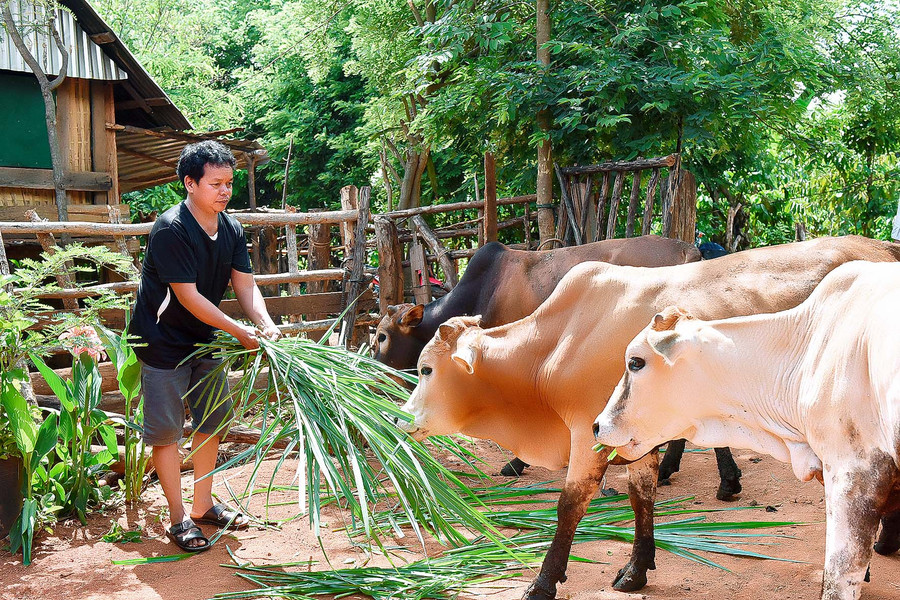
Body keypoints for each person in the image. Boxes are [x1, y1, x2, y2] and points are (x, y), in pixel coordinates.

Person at [129, 141, 281, 551]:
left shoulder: (230, 227)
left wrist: (264, 325)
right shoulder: (171, 228)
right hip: (162, 340)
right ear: (190, 183)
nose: (224, 191)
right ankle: (178, 520)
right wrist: (238, 331)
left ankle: (203, 506)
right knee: (166, 433)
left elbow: (245, 285)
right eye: (216, 183)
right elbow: (188, 296)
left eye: (229, 183)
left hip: (203, 337)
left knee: (212, 421)